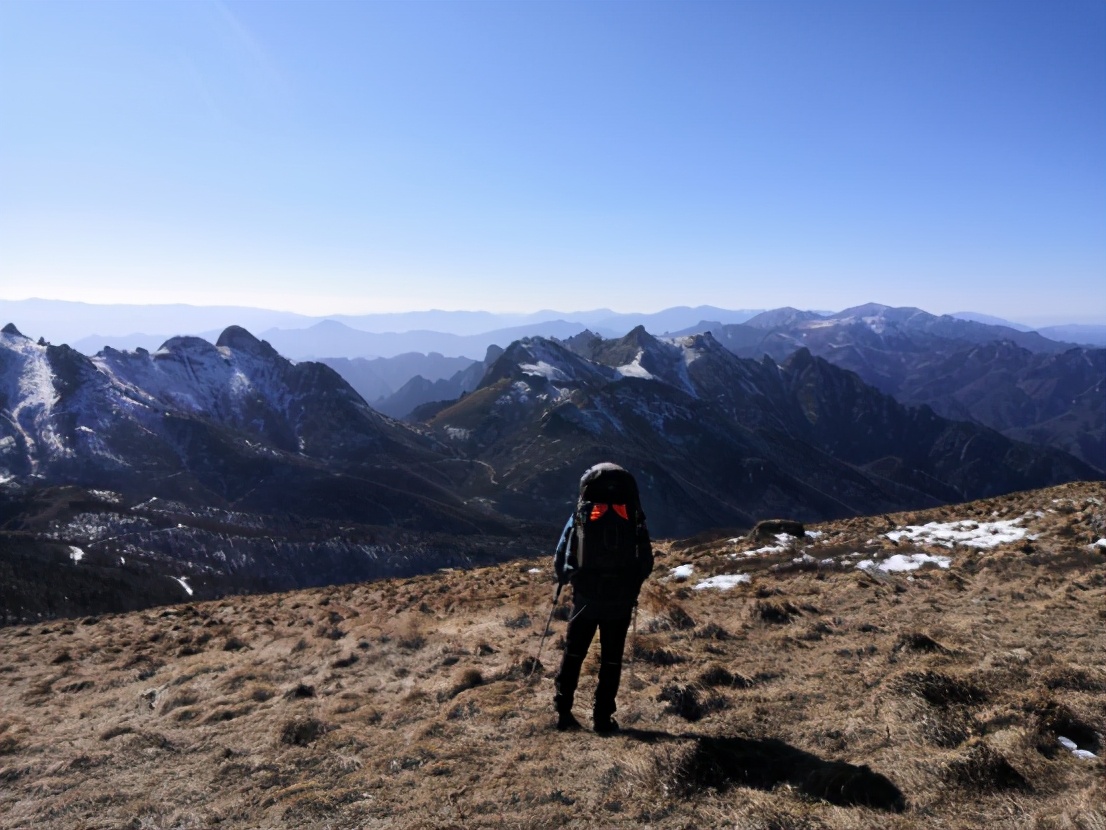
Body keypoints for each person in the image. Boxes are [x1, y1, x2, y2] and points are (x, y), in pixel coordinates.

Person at [552, 462, 653, 733]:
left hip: (586, 596)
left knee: (574, 654)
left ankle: (563, 712)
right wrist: (632, 585)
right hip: (620, 600)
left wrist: (570, 579)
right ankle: (602, 717)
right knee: (611, 659)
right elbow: (646, 561)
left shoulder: (581, 514)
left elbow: (561, 556)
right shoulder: (633, 515)